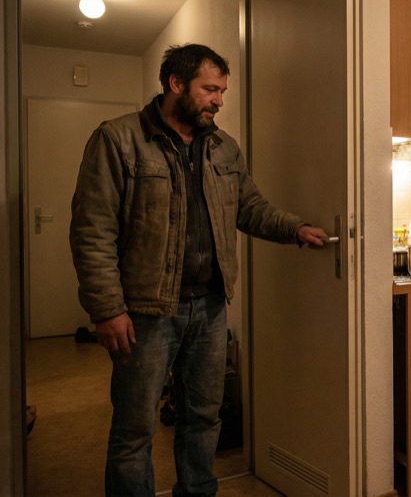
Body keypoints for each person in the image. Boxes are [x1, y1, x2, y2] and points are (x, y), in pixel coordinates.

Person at [69, 43, 329, 496]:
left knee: (203, 419)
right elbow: (92, 231)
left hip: (209, 308)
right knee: (134, 430)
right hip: (145, 313)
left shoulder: (223, 148)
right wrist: (107, 309)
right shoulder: (118, 139)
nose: (219, 101)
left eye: (222, 91)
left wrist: (295, 228)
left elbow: (249, 206)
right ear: (176, 84)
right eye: (210, 90)